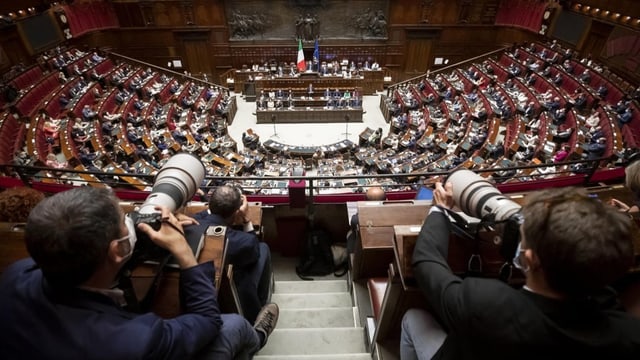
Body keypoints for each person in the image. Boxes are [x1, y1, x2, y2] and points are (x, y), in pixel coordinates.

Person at [0, 187, 279, 359]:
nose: (131, 221)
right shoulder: (136, 341)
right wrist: (183, 251)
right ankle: (258, 338)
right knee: (233, 325)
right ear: (118, 250)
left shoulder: (15, 275)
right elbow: (207, 322)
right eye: (126, 220)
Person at [400, 183, 640, 359]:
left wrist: (440, 210)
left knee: (413, 318)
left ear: (530, 259)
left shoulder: (486, 305)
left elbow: (426, 261)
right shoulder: (628, 334)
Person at [193, 185, 272, 323]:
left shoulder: (192, 221)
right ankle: (261, 305)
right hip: (224, 290)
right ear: (236, 213)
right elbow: (253, 250)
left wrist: (206, 198)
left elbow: (206, 213)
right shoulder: (240, 242)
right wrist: (247, 220)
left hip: (199, 284)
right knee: (263, 248)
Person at [346, 186, 386, 254]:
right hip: (387, 251)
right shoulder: (395, 214)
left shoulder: (356, 219)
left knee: (350, 234)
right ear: (386, 200)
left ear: (365, 201)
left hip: (364, 254)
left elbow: (354, 229)